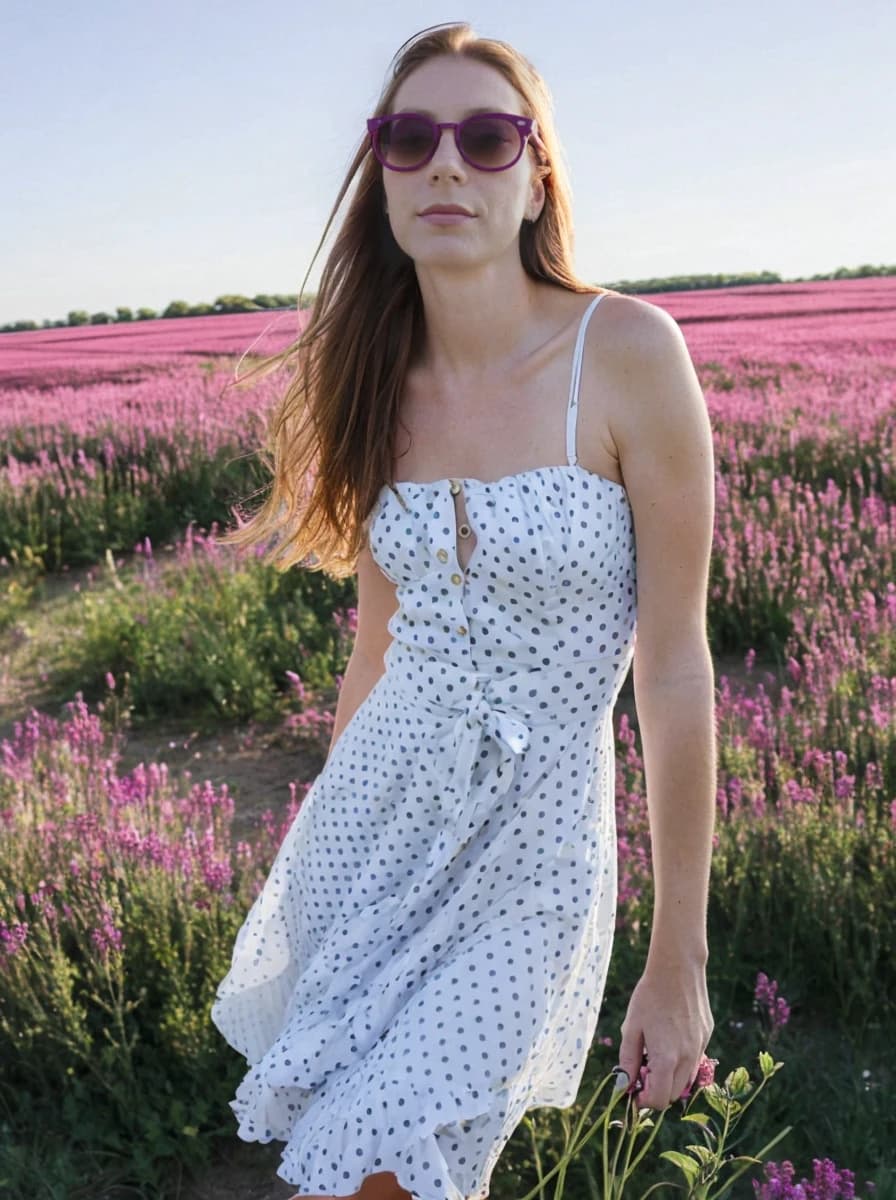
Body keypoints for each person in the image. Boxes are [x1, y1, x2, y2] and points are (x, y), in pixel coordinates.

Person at [210, 21, 717, 1200]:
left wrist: (677, 959)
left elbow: (676, 665)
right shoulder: (376, 383)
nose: (447, 163)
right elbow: (376, 646)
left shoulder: (628, 354)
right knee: (342, 1172)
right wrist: (330, 866)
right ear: (377, 168)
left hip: (536, 860)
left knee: (387, 1166)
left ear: (535, 174)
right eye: (410, 136)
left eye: (487, 137)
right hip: (377, 824)